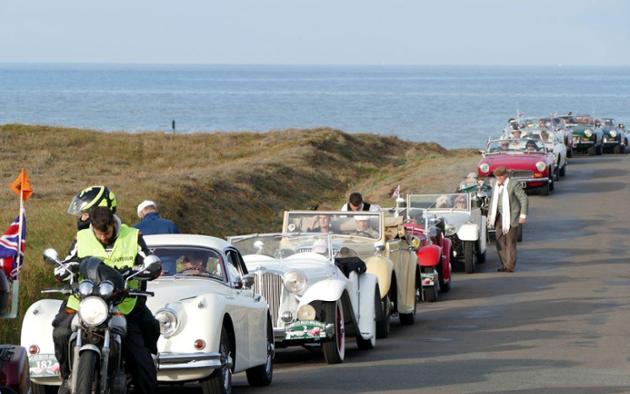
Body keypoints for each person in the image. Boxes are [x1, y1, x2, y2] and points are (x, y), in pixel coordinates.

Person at [52, 207, 161, 394]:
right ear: (92, 226)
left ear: (113, 224)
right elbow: (67, 262)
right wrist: (65, 268)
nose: (103, 237)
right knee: (60, 332)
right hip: (85, 303)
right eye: (98, 233)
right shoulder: (83, 237)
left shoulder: (132, 236)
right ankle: (66, 375)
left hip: (123, 304)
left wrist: (142, 269)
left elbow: (149, 261)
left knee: (141, 357)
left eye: (107, 232)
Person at [488, 167, 528, 272]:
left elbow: (524, 199)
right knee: (499, 241)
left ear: (506, 175)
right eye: (497, 177)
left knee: (510, 242)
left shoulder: (513, 184)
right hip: (499, 216)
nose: (499, 178)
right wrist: (489, 216)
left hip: (512, 216)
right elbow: (493, 202)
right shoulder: (495, 185)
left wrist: (522, 215)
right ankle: (504, 264)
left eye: (501, 176)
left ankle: (510, 266)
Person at [134, 200, 179, 275]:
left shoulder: (135, 229)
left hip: (145, 268)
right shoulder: (170, 224)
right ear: (155, 210)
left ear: (141, 213)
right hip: (168, 268)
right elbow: (179, 249)